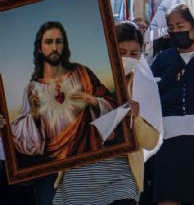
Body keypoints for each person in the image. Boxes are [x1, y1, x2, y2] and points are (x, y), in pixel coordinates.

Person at [52, 21, 161, 205]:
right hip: (79, 174)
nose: (127, 58)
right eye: (121, 52)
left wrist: (136, 118)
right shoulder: (80, 78)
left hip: (120, 177)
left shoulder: (144, 84)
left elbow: (150, 141)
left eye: (134, 54)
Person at [10, 21, 116, 163]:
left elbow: (112, 104)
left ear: (64, 45)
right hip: (54, 168)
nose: (54, 47)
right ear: (40, 48)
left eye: (58, 42)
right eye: (48, 42)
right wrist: (34, 116)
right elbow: (19, 136)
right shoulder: (32, 89)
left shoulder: (82, 73)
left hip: (91, 161)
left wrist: (94, 101)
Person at [150, 4, 194, 205]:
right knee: (167, 198)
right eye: (171, 28)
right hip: (168, 143)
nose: (175, 32)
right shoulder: (163, 59)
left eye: (180, 25)